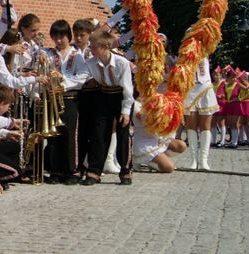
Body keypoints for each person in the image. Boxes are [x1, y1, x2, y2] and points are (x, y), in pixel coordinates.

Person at [80, 29, 134, 186]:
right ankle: (94, 171)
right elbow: (80, 79)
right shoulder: (90, 63)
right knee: (99, 133)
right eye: (91, 46)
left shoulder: (121, 63)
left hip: (121, 97)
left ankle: (125, 170)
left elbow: (128, 89)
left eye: (94, 46)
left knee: (123, 133)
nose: (91, 49)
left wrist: (125, 112)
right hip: (103, 96)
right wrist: (63, 83)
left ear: (105, 46)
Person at [43, 20, 90, 184]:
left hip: (70, 98)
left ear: (68, 36)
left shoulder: (76, 55)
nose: (58, 40)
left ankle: (71, 170)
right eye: (55, 37)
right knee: (53, 133)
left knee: (70, 134)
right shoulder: (48, 54)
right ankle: (55, 170)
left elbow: (83, 75)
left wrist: (63, 84)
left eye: (61, 36)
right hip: (52, 98)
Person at [182, 56, 218, 170]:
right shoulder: (184, 51)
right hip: (190, 88)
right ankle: (193, 160)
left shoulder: (205, 48)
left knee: (205, 126)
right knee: (191, 126)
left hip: (205, 87)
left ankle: (203, 160)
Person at [133, 99, 187, 173]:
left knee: (181, 145)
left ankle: (159, 159)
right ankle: (144, 161)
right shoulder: (135, 104)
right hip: (145, 143)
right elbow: (148, 121)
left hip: (158, 139)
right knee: (169, 168)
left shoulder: (156, 98)